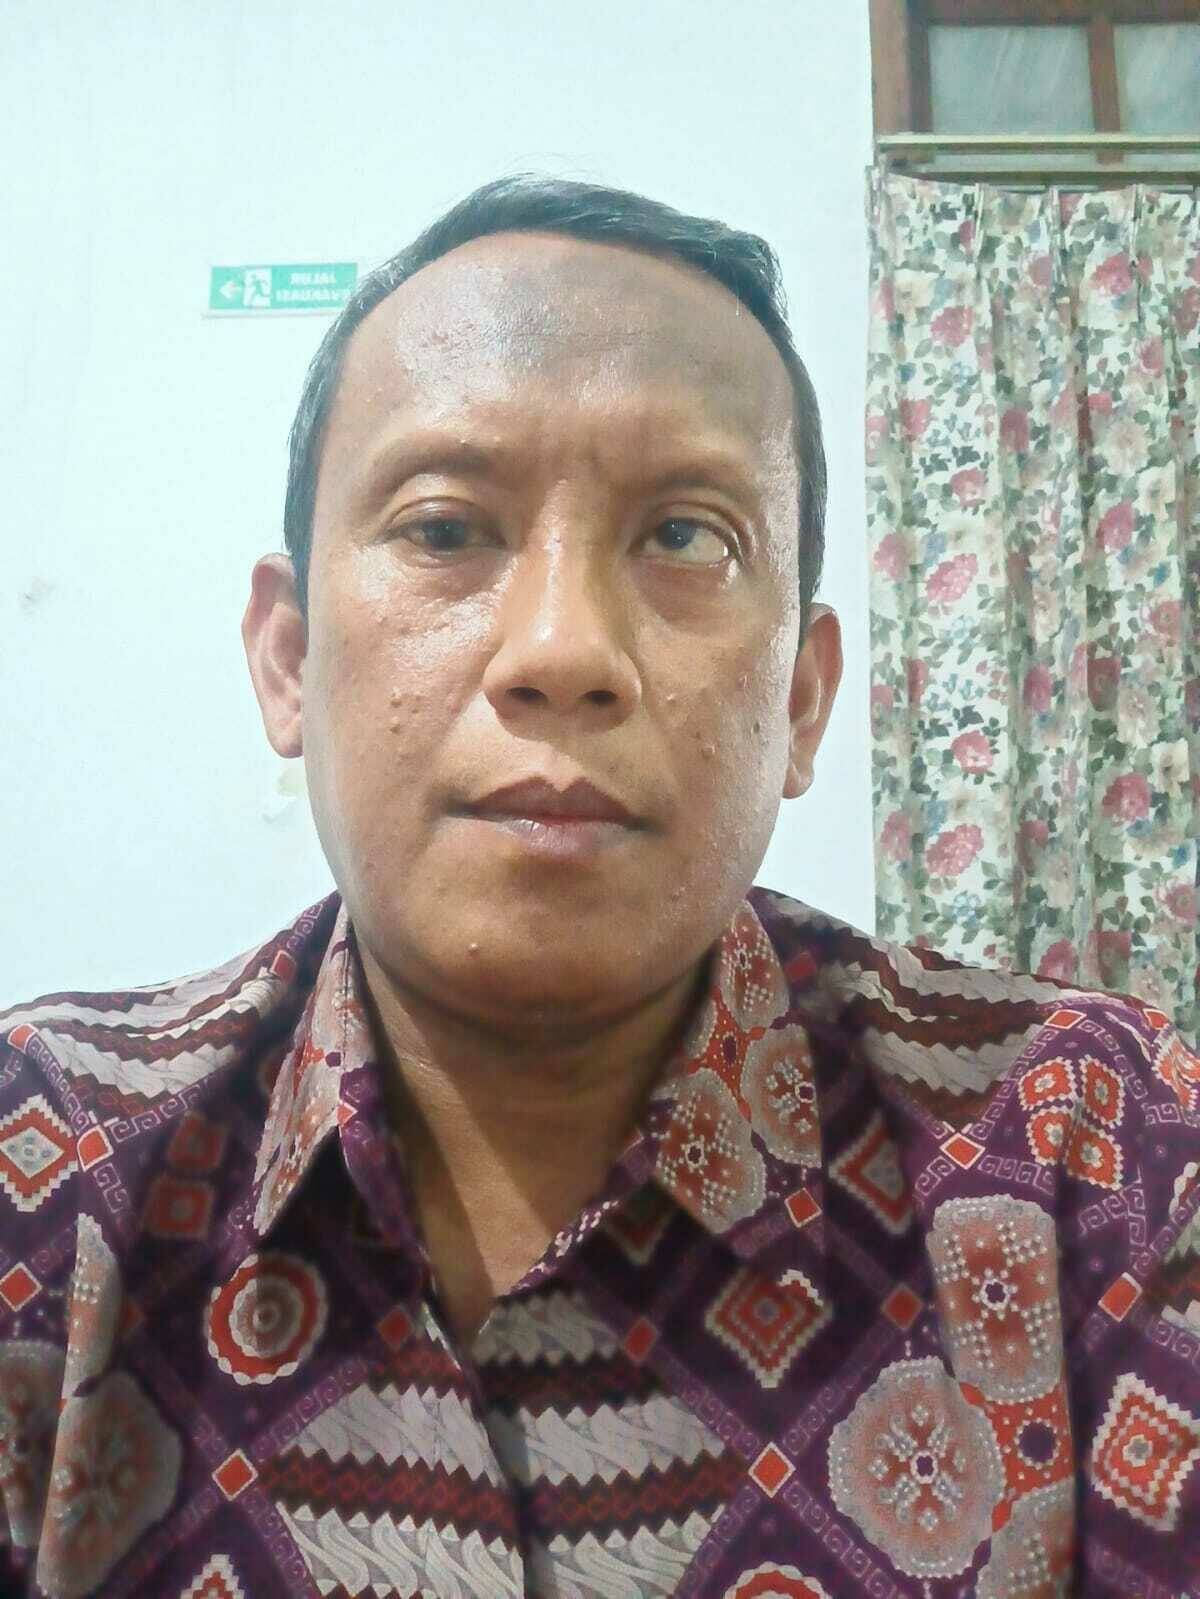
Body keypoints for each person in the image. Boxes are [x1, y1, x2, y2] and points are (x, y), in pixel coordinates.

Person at [1, 176, 1197, 1599]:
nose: (562, 650)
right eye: (445, 529)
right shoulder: (40, 1170)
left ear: (802, 700)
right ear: (288, 659)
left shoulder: (1105, 1160)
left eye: (688, 535)